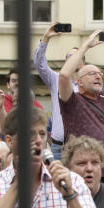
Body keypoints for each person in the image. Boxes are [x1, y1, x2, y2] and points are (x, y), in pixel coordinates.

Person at [58, 31, 104, 182]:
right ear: (79, 82)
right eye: (92, 73)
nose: (98, 76)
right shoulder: (72, 102)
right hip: (80, 174)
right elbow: (64, 75)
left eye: (100, 74)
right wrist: (85, 47)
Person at [35, 22, 82, 159]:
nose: (72, 60)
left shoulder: (87, 84)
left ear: (82, 61)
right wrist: (46, 38)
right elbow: (40, 64)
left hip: (80, 147)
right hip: (58, 147)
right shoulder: (56, 79)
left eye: (76, 56)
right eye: (69, 57)